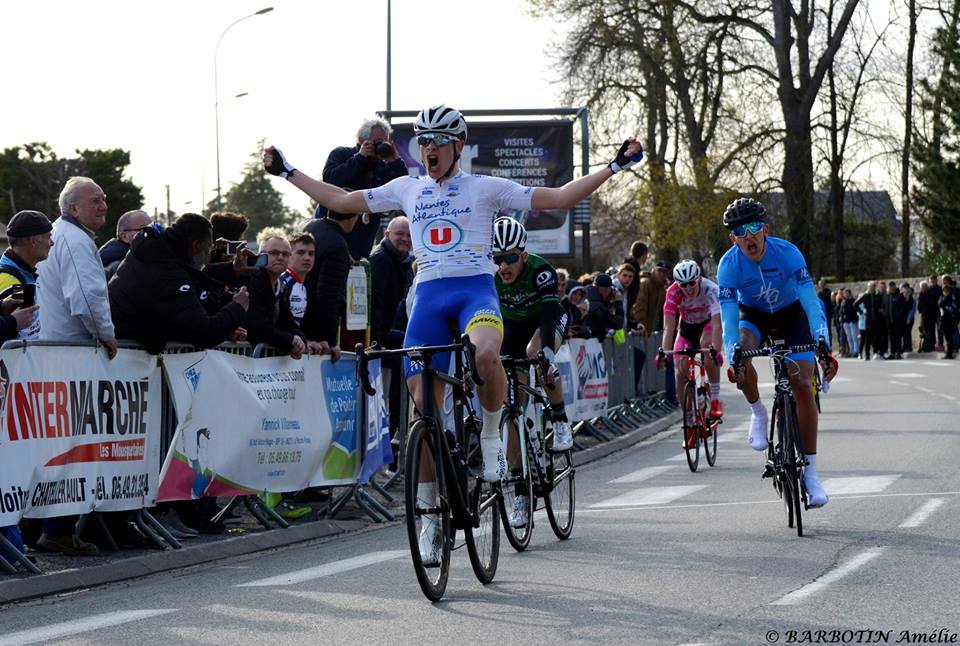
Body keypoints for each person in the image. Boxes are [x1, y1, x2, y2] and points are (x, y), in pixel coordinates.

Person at [263, 104, 642, 563]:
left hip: (474, 295)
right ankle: (428, 517)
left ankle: (491, 439)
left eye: (438, 141)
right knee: (423, 411)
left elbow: (560, 197)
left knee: (485, 356)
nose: (429, 149)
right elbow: (341, 201)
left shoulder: (485, 188)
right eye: (422, 141)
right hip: (428, 300)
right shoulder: (406, 188)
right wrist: (287, 170)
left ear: (458, 145)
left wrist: (615, 165)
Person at [717, 197, 837, 508]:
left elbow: (810, 301)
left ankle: (811, 474)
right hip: (753, 315)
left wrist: (821, 340)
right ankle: (758, 412)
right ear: (732, 238)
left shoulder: (788, 253)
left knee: (802, 384)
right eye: (740, 231)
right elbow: (729, 320)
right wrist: (733, 353)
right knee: (742, 350)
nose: (748, 236)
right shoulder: (728, 265)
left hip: (791, 313)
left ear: (766, 230)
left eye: (754, 228)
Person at [34, 177, 119, 556]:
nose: (103, 205)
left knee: (56, 445)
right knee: (70, 445)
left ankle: (50, 527)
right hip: (70, 357)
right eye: (94, 200)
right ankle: (57, 529)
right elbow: (87, 296)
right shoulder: (75, 240)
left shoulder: (64, 235)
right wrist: (107, 335)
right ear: (73, 208)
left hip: (57, 355)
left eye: (103, 199)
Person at [492, 217, 573, 528]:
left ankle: (560, 418)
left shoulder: (541, 271)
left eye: (510, 258)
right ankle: (521, 493)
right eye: (498, 258)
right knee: (510, 409)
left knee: (535, 354)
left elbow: (550, 314)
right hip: (512, 326)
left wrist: (548, 353)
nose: (503, 265)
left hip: (545, 321)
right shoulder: (490, 274)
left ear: (523, 255)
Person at [108, 213, 250, 353]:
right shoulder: (168, 276)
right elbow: (203, 332)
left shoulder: (155, 254)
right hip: (125, 357)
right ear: (195, 245)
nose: (209, 256)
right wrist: (238, 307)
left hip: (125, 351)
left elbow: (191, 275)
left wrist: (231, 269)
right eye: (208, 248)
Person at [314, 117, 409, 260]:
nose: (381, 146)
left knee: (358, 270)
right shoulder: (342, 154)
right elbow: (330, 180)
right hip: (331, 229)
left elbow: (403, 188)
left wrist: (395, 161)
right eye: (378, 142)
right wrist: (360, 158)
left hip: (362, 236)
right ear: (361, 140)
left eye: (385, 142)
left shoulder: (383, 167)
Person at [657, 260, 723, 448]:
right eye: (683, 285)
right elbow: (669, 327)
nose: (688, 288)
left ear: (699, 279)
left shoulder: (711, 290)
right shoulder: (672, 292)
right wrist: (664, 353)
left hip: (708, 325)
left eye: (692, 283)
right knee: (680, 371)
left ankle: (715, 399)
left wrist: (716, 350)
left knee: (707, 349)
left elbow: (717, 325)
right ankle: (689, 422)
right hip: (686, 328)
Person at [244, 230, 308, 358]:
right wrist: (290, 340)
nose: (280, 257)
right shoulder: (252, 280)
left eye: (285, 254)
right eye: (274, 253)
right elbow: (259, 327)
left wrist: (300, 339)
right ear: (261, 256)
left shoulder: (280, 284)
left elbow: (288, 323)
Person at [0, 209, 53, 340]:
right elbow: (20, 337)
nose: (52, 242)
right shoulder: (12, 280)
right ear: (33, 241)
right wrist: (12, 322)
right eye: (48, 237)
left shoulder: (20, 271)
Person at [99, 209, 152, 279]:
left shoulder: (140, 260)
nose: (152, 233)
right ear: (124, 236)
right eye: (145, 229)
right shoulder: (118, 268)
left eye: (153, 228)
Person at [584, 272, 624, 340]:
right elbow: (618, 323)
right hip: (590, 342)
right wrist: (619, 302)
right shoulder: (599, 307)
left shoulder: (585, 294)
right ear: (607, 289)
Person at [939, 276, 959, 359]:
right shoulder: (942, 297)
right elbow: (940, 304)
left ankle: (950, 353)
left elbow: (955, 308)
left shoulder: (952, 297)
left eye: (947, 290)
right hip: (944, 319)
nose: (945, 292)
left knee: (951, 336)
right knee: (947, 337)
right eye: (944, 291)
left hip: (951, 319)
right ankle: (949, 352)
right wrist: (945, 298)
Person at [917, 280, 938, 352]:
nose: (924, 287)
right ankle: (924, 346)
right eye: (922, 286)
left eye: (925, 286)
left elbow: (933, 305)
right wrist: (920, 311)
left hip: (930, 316)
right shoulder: (920, 294)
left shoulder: (930, 294)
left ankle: (932, 345)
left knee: (931, 331)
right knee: (923, 331)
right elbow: (919, 305)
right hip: (923, 316)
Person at [840, 288, 859, 358]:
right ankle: (851, 351)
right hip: (846, 322)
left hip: (853, 322)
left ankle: (856, 351)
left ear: (850, 293)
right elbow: (841, 311)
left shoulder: (853, 301)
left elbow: (857, 310)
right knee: (849, 338)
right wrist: (842, 320)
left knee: (854, 337)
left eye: (847, 293)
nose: (846, 294)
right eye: (845, 293)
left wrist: (855, 319)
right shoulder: (843, 301)